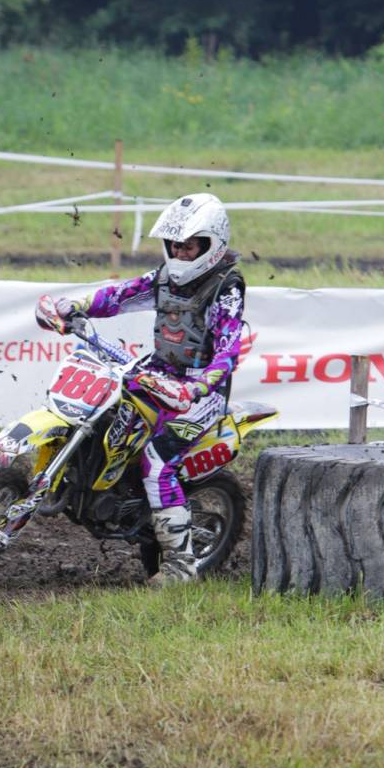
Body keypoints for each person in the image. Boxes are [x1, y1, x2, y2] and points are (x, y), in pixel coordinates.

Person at [35, 193, 245, 586]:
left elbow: (227, 352)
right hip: (157, 373)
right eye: (175, 245)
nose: (181, 254)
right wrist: (72, 305)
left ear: (211, 244)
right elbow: (117, 296)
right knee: (102, 416)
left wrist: (197, 387)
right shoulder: (164, 278)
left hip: (202, 394)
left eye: (189, 246)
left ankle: (181, 567)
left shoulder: (225, 289)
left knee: (157, 460)